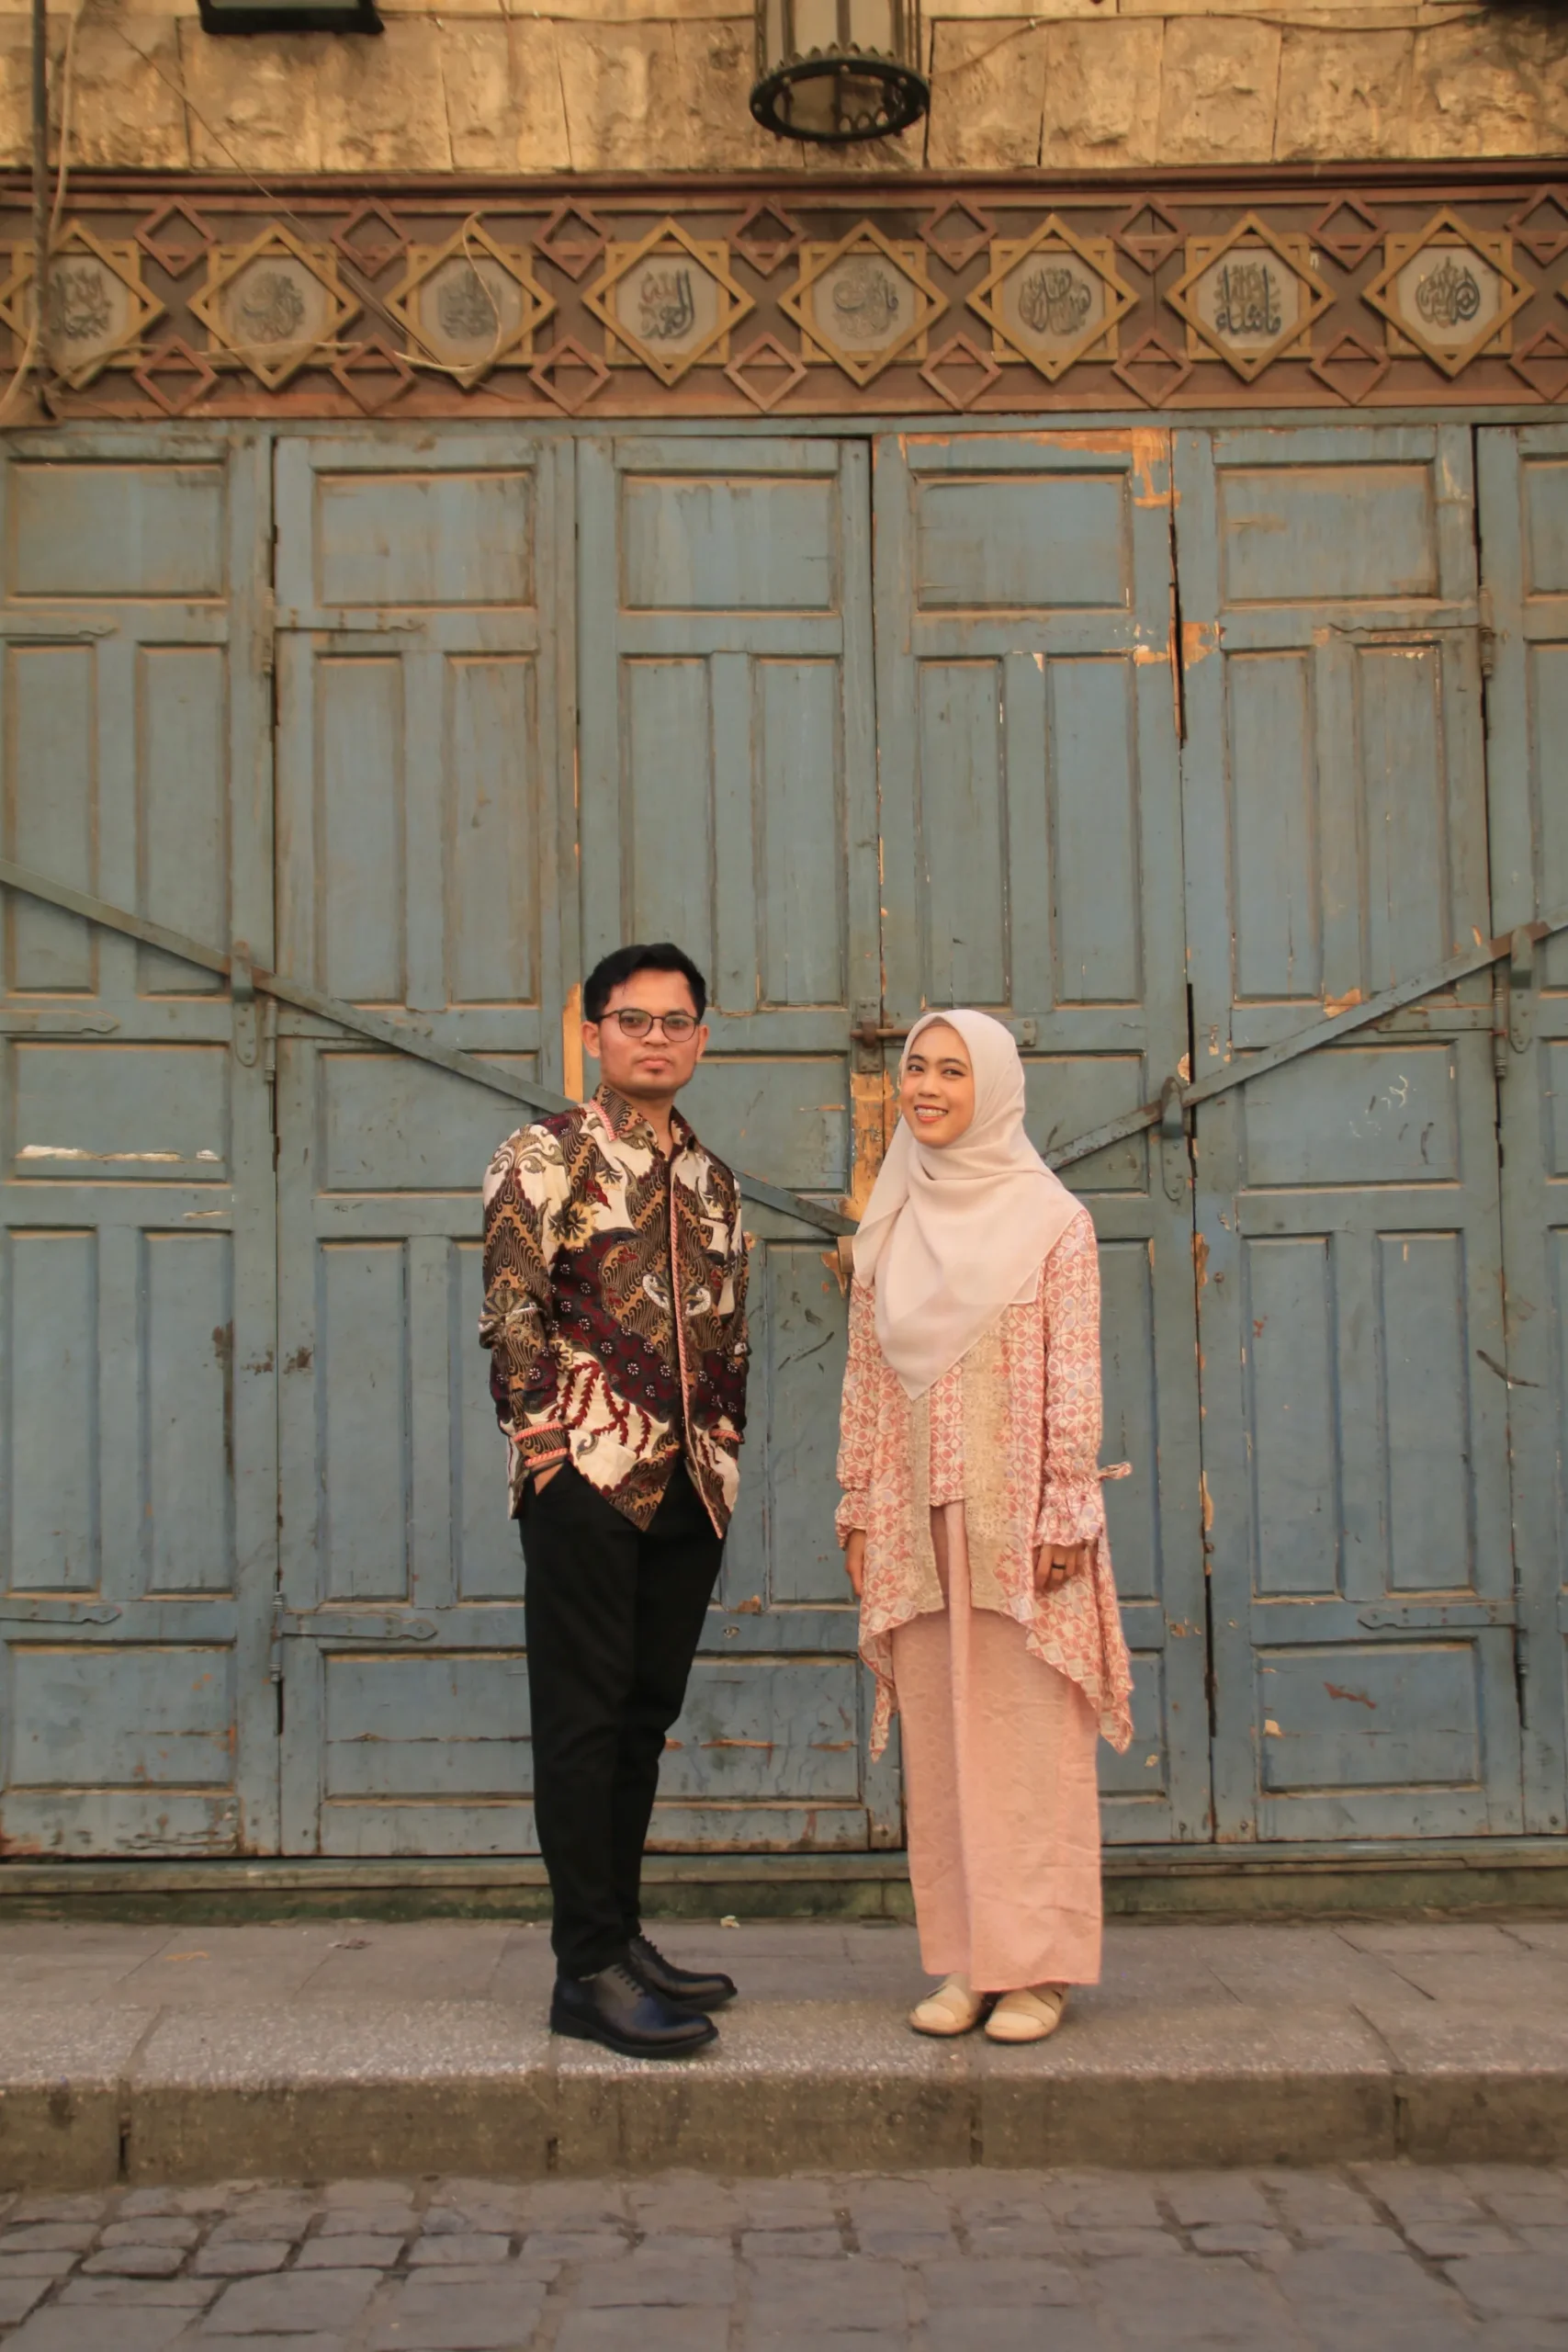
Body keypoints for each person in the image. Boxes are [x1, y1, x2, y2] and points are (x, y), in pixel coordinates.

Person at [836, 1009, 1134, 2043]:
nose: (925, 1087)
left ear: (994, 1087)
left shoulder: (1053, 1222)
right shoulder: (891, 1221)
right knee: (943, 1744)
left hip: (1021, 1520)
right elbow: (865, 1377)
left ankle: (1037, 1967)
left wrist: (1068, 1507)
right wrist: (857, 1503)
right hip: (913, 1516)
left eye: (952, 1072)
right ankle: (966, 1959)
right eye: (916, 1068)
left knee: (1028, 1738)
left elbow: (1074, 1373)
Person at [479, 942, 750, 2059]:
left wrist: (724, 1443)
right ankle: (583, 1969)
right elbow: (512, 1306)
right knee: (583, 1723)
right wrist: (544, 1448)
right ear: (593, 1032)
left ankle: (622, 1935)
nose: (655, 1038)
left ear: (701, 1037)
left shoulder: (712, 1178)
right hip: (587, 1478)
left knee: (644, 1717)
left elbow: (731, 1328)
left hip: (691, 1485)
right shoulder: (543, 1155)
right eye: (632, 1019)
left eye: (675, 1021)